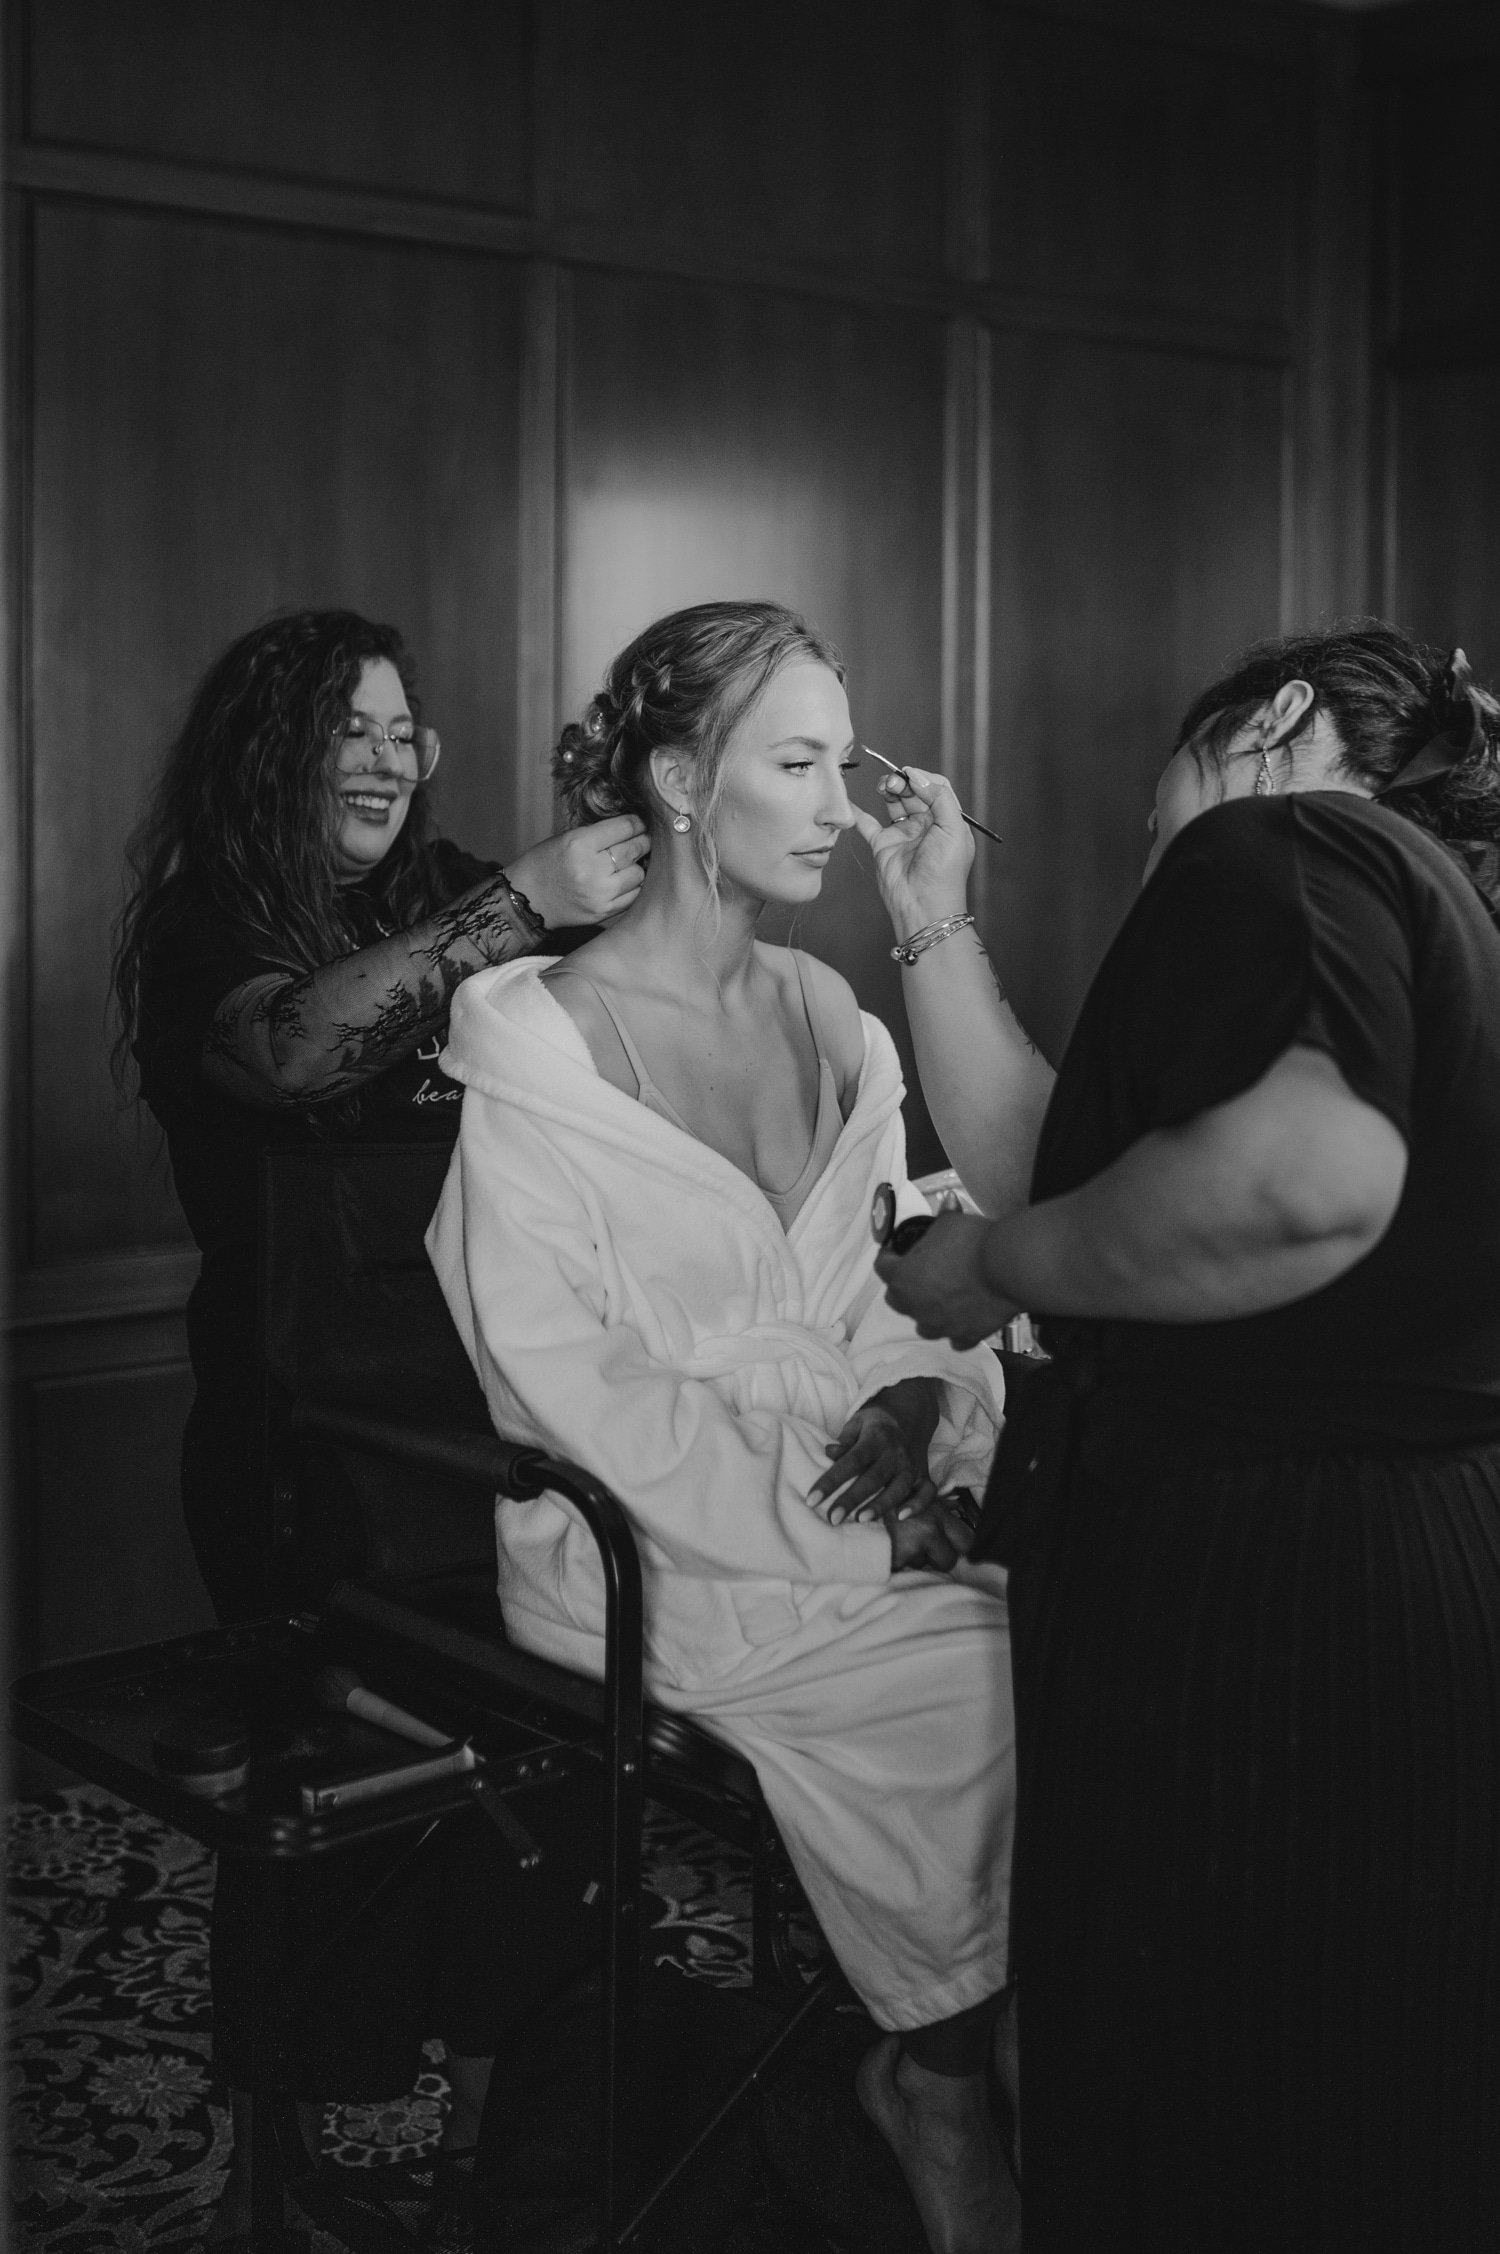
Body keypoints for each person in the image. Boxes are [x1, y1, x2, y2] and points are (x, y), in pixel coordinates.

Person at [864, 622, 1500, 2252]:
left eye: (1163, 810)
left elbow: (1292, 1187)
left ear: (1272, 722)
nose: (1159, 839)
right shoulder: (1438, 901)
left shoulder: (1279, 842)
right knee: (1365, 2097)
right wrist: (931, 914)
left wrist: (984, 1271)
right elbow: (1083, 1177)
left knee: (1213, 2108)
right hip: (1422, 1562)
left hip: (1263, 1586)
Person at [426, 600, 1020, 2254]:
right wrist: (848, 1515)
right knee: (994, 1692)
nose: (842, 804)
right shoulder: (541, 1050)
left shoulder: (838, 1015)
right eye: (800, 761)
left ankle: (1006, 2060)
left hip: (862, 1489)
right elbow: (569, 1386)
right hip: (631, 1538)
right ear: (687, 780)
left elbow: (922, 1271)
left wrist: (923, 1400)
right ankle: (945, 2092)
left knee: (1103, 1657)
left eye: (846, 758)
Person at [112, 607, 648, 2242]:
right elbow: (290, 1049)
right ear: (271, 750)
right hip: (301, 1455)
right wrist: (520, 907)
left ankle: (505, 2158)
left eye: (404, 729)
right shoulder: (210, 924)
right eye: (347, 726)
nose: (387, 755)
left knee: (529, 1789)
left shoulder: (443, 887)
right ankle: (285, 2166)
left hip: (483, 1425)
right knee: (330, 1812)